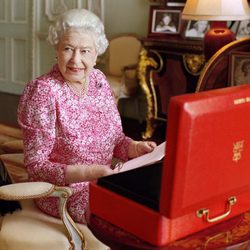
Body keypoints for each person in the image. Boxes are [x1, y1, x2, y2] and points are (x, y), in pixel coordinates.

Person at [17, 8, 157, 224]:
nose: (75, 60)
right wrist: (91, 172)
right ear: (57, 49)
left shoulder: (99, 81)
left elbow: (116, 140)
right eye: (68, 49)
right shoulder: (44, 91)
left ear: (96, 54)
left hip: (107, 179)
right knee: (130, 219)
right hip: (65, 192)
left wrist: (134, 147)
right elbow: (36, 165)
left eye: (84, 51)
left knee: (155, 201)